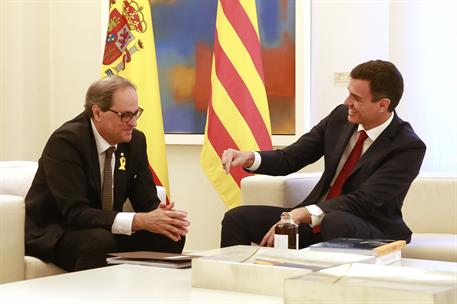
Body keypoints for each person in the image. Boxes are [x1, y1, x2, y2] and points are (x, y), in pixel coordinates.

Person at [220, 60, 426, 249]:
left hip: (369, 228)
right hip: (317, 221)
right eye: (348, 93)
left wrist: (304, 213)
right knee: (236, 218)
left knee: (335, 220)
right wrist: (249, 157)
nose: (347, 102)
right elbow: (291, 157)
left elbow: (364, 201)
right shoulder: (340, 118)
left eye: (356, 98)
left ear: (383, 105)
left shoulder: (407, 147)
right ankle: (229, 287)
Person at [25, 76, 190, 271]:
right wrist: (138, 221)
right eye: (125, 115)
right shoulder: (66, 142)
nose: (134, 123)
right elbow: (75, 214)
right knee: (99, 241)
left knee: (170, 234)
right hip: (57, 232)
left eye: (136, 113)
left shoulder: (134, 142)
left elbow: (146, 202)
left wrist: (161, 216)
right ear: (97, 112)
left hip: (103, 229)